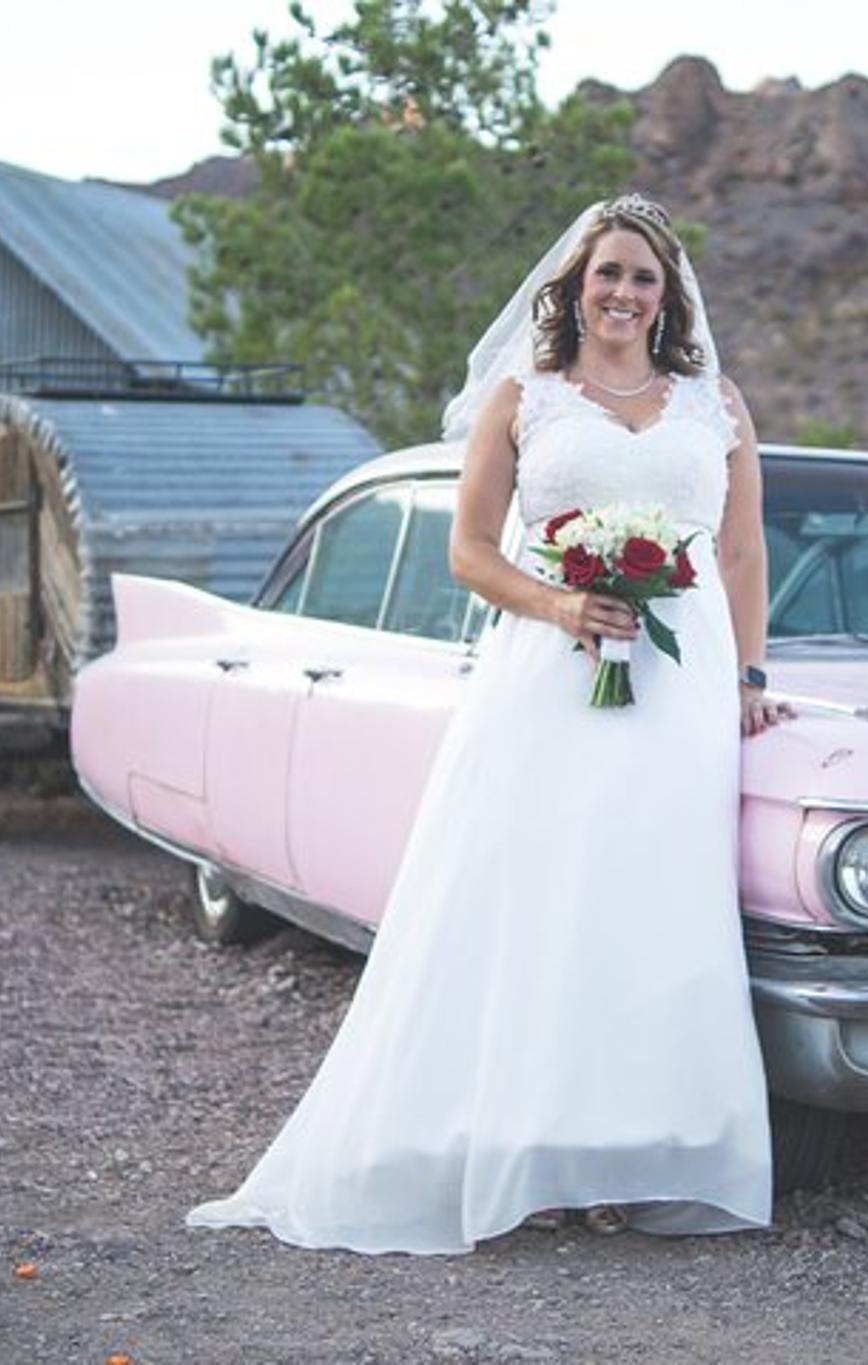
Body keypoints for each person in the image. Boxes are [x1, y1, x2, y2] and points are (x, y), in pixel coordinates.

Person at [184, 194, 790, 1255]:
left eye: (643, 278)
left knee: (650, 909)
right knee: (537, 900)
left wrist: (745, 676)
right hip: (545, 679)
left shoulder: (715, 404)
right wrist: (562, 603)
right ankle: (515, 1146)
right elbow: (468, 551)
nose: (622, 293)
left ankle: (632, 1154)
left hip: (679, 688)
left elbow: (739, 556)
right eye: (606, 273)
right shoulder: (525, 396)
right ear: (572, 283)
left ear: (669, 295)